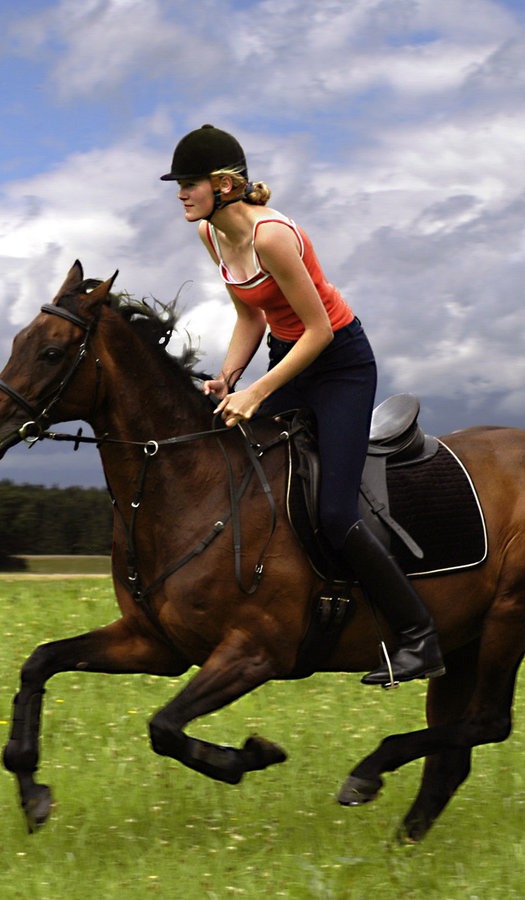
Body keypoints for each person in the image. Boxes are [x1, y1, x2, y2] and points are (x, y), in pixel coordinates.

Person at [160, 124, 445, 687]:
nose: (180, 194)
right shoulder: (212, 236)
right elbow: (251, 315)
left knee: (336, 513)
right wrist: (227, 377)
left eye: (189, 183)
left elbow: (318, 331)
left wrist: (258, 392)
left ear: (223, 184)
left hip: (339, 365)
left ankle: (419, 638)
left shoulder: (273, 238)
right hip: (288, 356)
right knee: (240, 466)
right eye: (179, 185)